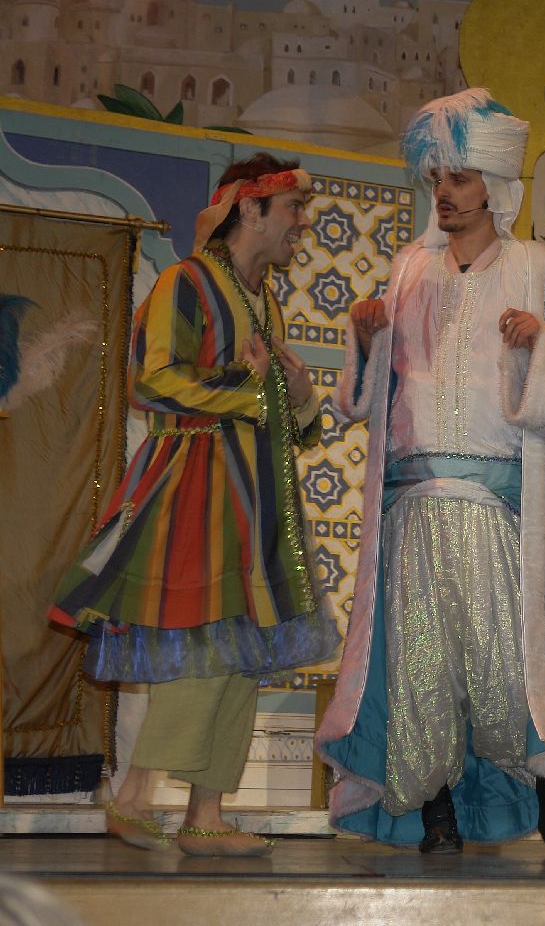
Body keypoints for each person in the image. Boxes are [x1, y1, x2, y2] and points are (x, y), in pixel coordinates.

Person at [315, 89, 545, 855]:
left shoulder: (536, 269)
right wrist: (366, 338)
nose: (443, 192)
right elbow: (366, 401)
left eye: (460, 177)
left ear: (495, 186)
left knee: (509, 667)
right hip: (415, 501)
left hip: (496, 500)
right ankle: (435, 811)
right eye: (437, 177)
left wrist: (542, 340)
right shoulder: (409, 268)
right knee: (423, 667)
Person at [50, 153, 338, 857]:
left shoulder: (264, 300)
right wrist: (246, 384)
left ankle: (206, 815)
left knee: (241, 654)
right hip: (195, 490)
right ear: (251, 210)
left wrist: (302, 402)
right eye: (293, 209)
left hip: (257, 499)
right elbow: (152, 383)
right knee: (201, 650)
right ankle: (132, 799)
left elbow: (279, 417)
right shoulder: (185, 282)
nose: (302, 223)